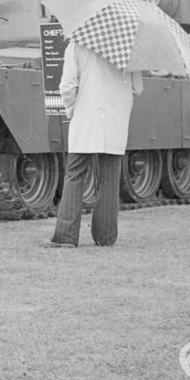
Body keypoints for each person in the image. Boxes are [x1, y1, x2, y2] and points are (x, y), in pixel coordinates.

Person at [51, 40, 143, 248]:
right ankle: (106, 236)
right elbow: (138, 88)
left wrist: (72, 110)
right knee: (110, 179)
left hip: (86, 117)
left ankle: (66, 236)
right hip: (116, 119)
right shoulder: (129, 45)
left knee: (75, 176)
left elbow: (68, 85)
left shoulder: (78, 44)